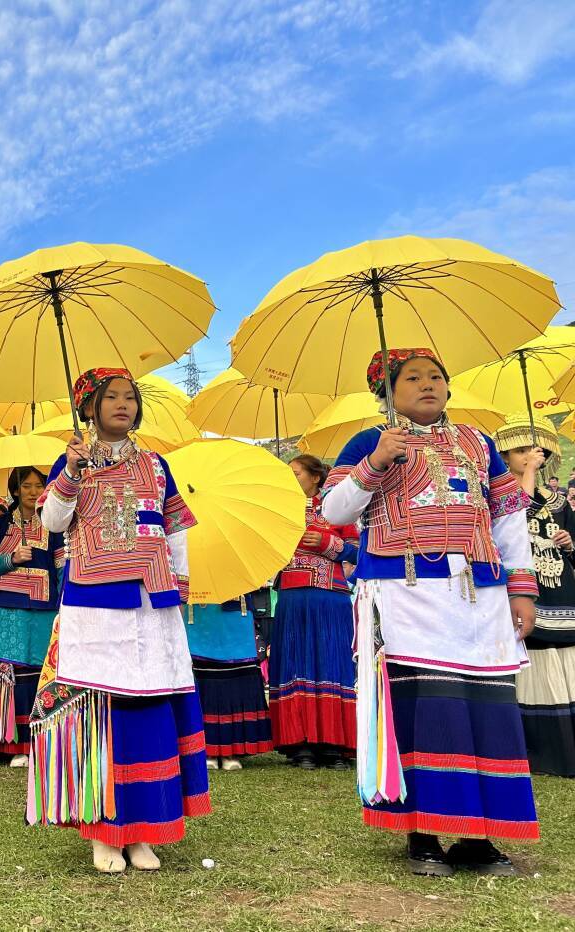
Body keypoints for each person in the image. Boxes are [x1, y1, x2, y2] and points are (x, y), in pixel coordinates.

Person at [322, 348, 538, 877]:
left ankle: (478, 834)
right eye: (412, 377)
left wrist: (522, 589)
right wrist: (375, 464)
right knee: (425, 710)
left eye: (436, 376)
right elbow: (332, 512)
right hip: (405, 593)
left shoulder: (478, 443)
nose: (427, 384)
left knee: (485, 707)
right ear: (386, 391)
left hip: (479, 594)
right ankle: (422, 833)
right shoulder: (367, 442)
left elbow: (508, 518)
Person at [33, 368, 209, 874]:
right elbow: (51, 523)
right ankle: (105, 832)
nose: (123, 404)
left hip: (154, 602)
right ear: (88, 406)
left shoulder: (156, 464)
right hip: (92, 603)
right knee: (101, 711)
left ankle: (145, 831)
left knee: (150, 708)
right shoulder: (73, 464)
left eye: (130, 397)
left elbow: (174, 529)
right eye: (111, 397)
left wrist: (181, 587)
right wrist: (69, 470)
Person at [267, 453, 359, 770]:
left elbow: (358, 551)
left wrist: (327, 543)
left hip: (330, 596)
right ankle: (299, 744)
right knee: (296, 664)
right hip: (292, 597)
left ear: (315, 477)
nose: (291, 479)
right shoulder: (279, 511)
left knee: (332, 663)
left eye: (296, 473)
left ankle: (334, 745)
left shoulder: (337, 508)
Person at [495, 415, 575, 778]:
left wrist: (569, 543)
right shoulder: (498, 497)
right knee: (532, 658)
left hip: (560, 590)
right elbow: (514, 514)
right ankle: (536, 751)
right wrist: (527, 473)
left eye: (534, 450)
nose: (529, 456)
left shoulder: (557, 501)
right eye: (520, 451)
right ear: (505, 457)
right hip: (522, 592)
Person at [0, 467, 63, 766]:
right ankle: (18, 747)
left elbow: (63, 568)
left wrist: (66, 604)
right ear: (15, 490)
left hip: (45, 607)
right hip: (7, 607)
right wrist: (11, 559)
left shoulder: (55, 523)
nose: (32, 491)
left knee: (43, 675)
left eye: (39, 485)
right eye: (26, 486)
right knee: (12, 675)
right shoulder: (1, 524)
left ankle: (44, 740)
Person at [184, 596, 274, 771]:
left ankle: (232, 749)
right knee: (205, 676)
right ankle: (206, 749)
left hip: (235, 608)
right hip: (199, 609)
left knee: (237, 675)